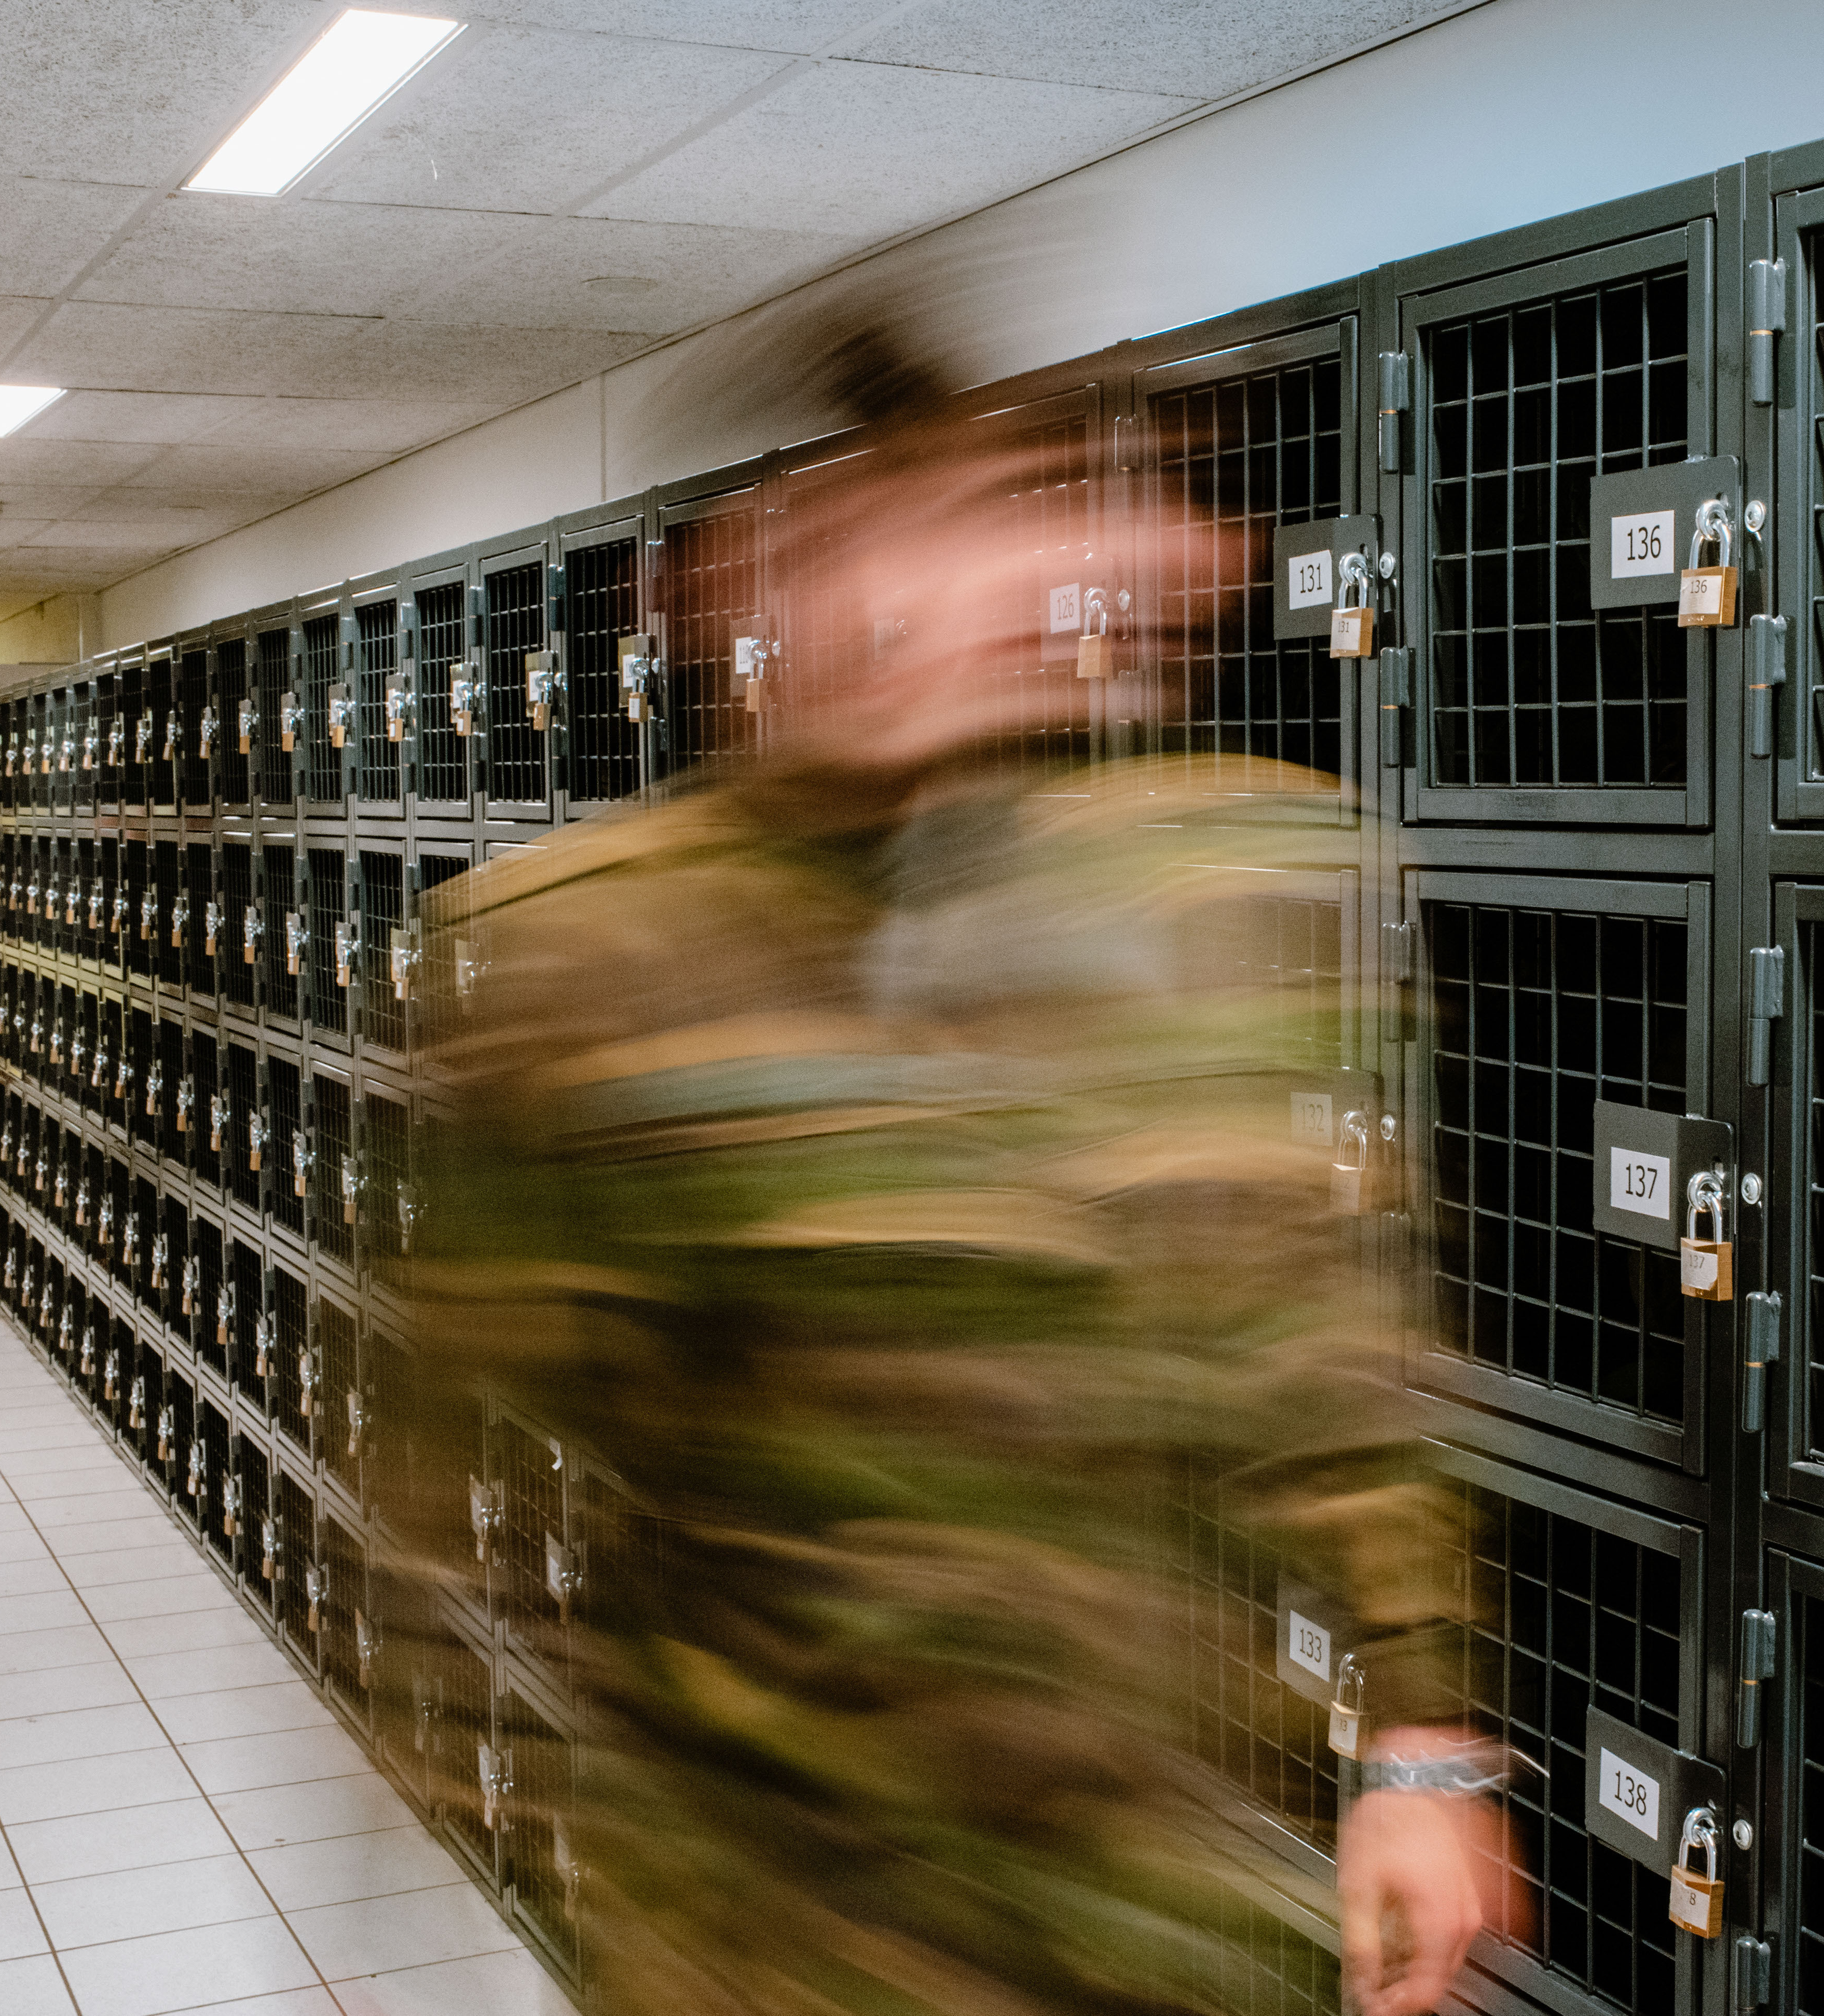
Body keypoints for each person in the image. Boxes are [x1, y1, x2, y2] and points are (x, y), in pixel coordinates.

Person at [397, 376, 1516, 2016]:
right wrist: (492, 1799)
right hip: (768, 1917)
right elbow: (438, 1478)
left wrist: (1421, 1740)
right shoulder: (591, 950)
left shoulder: (1213, 887)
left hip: (1137, 1899)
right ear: (748, 603)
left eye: (1032, 520)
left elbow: (1324, 1344)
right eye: (899, 539)